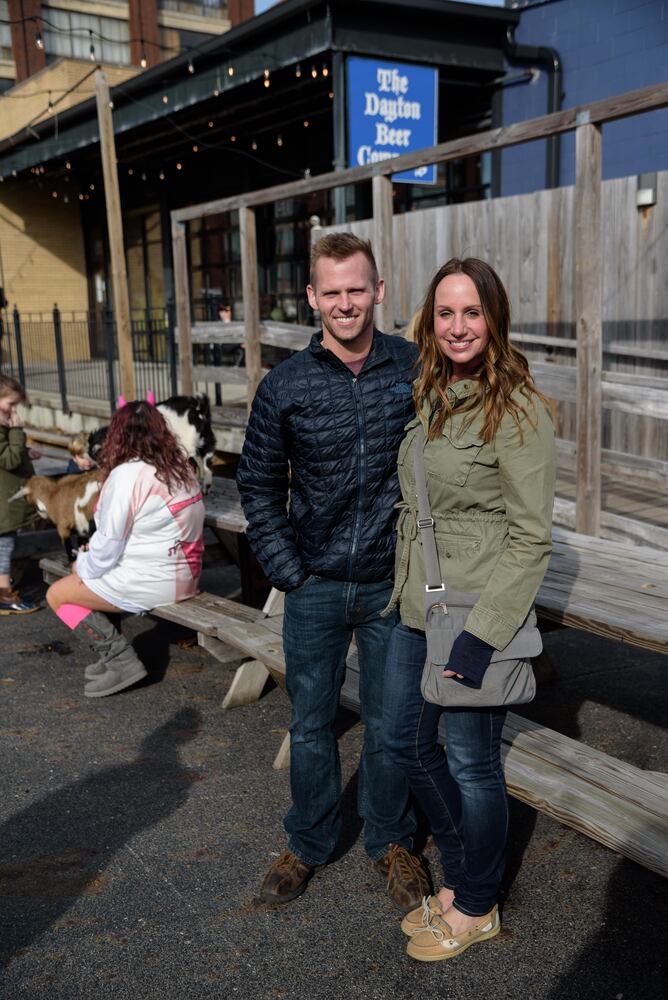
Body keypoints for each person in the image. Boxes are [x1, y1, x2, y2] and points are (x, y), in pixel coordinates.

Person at [236, 232, 430, 910]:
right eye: (333, 292)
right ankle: (311, 841)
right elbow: (256, 485)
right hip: (314, 582)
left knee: (390, 720)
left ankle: (391, 841)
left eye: (358, 289)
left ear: (378, 291)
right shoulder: (284, 385)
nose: (346, 303)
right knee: (312, 723)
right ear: (313, 297)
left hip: (388, 581)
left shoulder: (415, 367)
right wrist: (289, 570)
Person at [382, 257, 555, 961]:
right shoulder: (433, 394)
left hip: (475, 615)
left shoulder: (516, 411)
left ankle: (477, 902)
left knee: (474, 766)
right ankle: (464, 877)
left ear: (494, 319)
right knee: (407, 744)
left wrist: (483, 638)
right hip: (421, 603)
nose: (458, 327)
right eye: (446, 313)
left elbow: (532, 536)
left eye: (472, 313)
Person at [46, 400, 205, 698]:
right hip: (186, 576)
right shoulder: (180, 467)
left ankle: (118, 659)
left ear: (116, 435)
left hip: (151, 581)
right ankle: (111, 656)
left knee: (58, 594)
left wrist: (81, 564)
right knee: (86, 572)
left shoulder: (127, 475)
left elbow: (107, 549)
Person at [0, 373, 39, 614]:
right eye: (10, 404)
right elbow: (10, 459)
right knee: (4, 546)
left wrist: (25, 450)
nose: (14, 410)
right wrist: (17, 432)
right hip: (3, 505)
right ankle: (4, 595)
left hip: (6, 501)